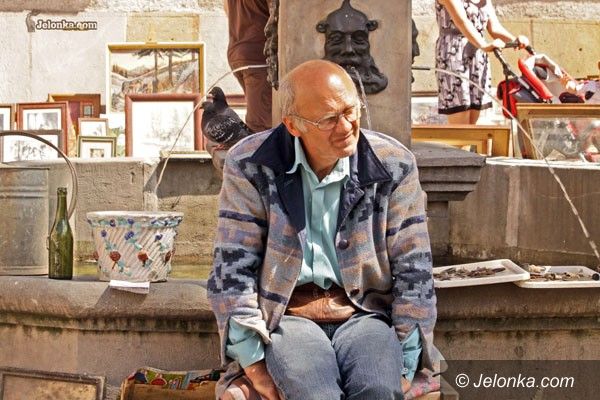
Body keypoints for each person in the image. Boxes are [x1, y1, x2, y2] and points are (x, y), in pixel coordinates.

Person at [208, 59, 437, 400]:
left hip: (364, 314)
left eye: (350, 110)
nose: (345, 126)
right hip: (289, 317)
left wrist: (405, 362)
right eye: (329, 119)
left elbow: (414, 268)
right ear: (293, 125)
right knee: (313, 393)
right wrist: (253, 364)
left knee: (378, 388)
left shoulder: (394, 164)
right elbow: (232, 269)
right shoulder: (250, 163)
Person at [435, 0, 530, 124]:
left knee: (474, 117)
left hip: (477, 57)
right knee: (460, 114)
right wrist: (484, 45)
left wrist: (516, 41)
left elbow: (494, 28)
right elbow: (462, 22)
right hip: (454, 54)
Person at [224, 0, 272, 133]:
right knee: (262, 124)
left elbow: (227, 10)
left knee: (262, 115)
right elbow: (278, 18)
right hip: (258, 55)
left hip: (239, 51)